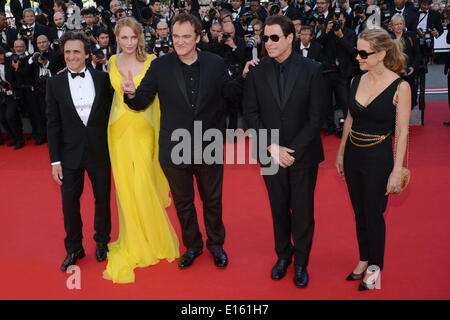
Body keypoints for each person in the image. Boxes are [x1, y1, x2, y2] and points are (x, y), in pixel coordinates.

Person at [122, 13, 243, 270]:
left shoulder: (215, 63)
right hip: (174, 147)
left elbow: (232, 94)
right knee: (183, 203)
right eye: (176, 36)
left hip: (208, 144)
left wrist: (243, 77)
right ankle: (193, 245)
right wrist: (131, 94)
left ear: (197, 37)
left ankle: (216, 244)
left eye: (186, 36)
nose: (180, 41)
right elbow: (141, 100)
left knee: (212, 199)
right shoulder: (160, 66)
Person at [243, 15, 326, 288]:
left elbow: (317, 117)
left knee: (302, 211)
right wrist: (271, 146)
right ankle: (283, 256)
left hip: (302, 154)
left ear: (291, 37)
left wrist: (292, 151)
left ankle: (301, 261)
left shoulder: (312, 69)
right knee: (278, 209)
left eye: (275, 37)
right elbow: (251, 113)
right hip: (270, 153)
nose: (269, 43)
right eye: (265, 38)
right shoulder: (256, 70)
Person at [103, 17, 180, 284]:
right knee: (125, 187)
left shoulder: (152, 62)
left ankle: (154, 238)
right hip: (118, 130)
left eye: (132, 38)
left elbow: (158, 98)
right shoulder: (111, 62)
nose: (128, 43)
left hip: (144, 127)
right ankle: (134, 239)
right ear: (117, 38)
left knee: (143, 183)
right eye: (123, 38)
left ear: (140, 38)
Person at [335, 28, 411, 291]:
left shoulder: (400, 86)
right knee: (359, 212)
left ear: (381, 54)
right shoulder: (356, 80)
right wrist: (342, 152)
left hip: (379, 158)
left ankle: (374, 271)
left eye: (363, 52)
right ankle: (363, 259)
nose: (358, 57)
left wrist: (397, 169)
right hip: (354, 154)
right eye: (357, 51)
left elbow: (402, 132)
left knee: (374, 215)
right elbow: (350, 119)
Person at [46, 31, 113, 272]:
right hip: (69, 154)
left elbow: (111, 115)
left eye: (76, 52)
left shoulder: (102, 80)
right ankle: (74, 247)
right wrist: (55, 161)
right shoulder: (54, 83)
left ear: (87, 54)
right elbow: (52, 124)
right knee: (69, 204)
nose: (71, 56)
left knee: (103, 199)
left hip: (99, 152)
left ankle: (102, 241)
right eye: (67, 52)